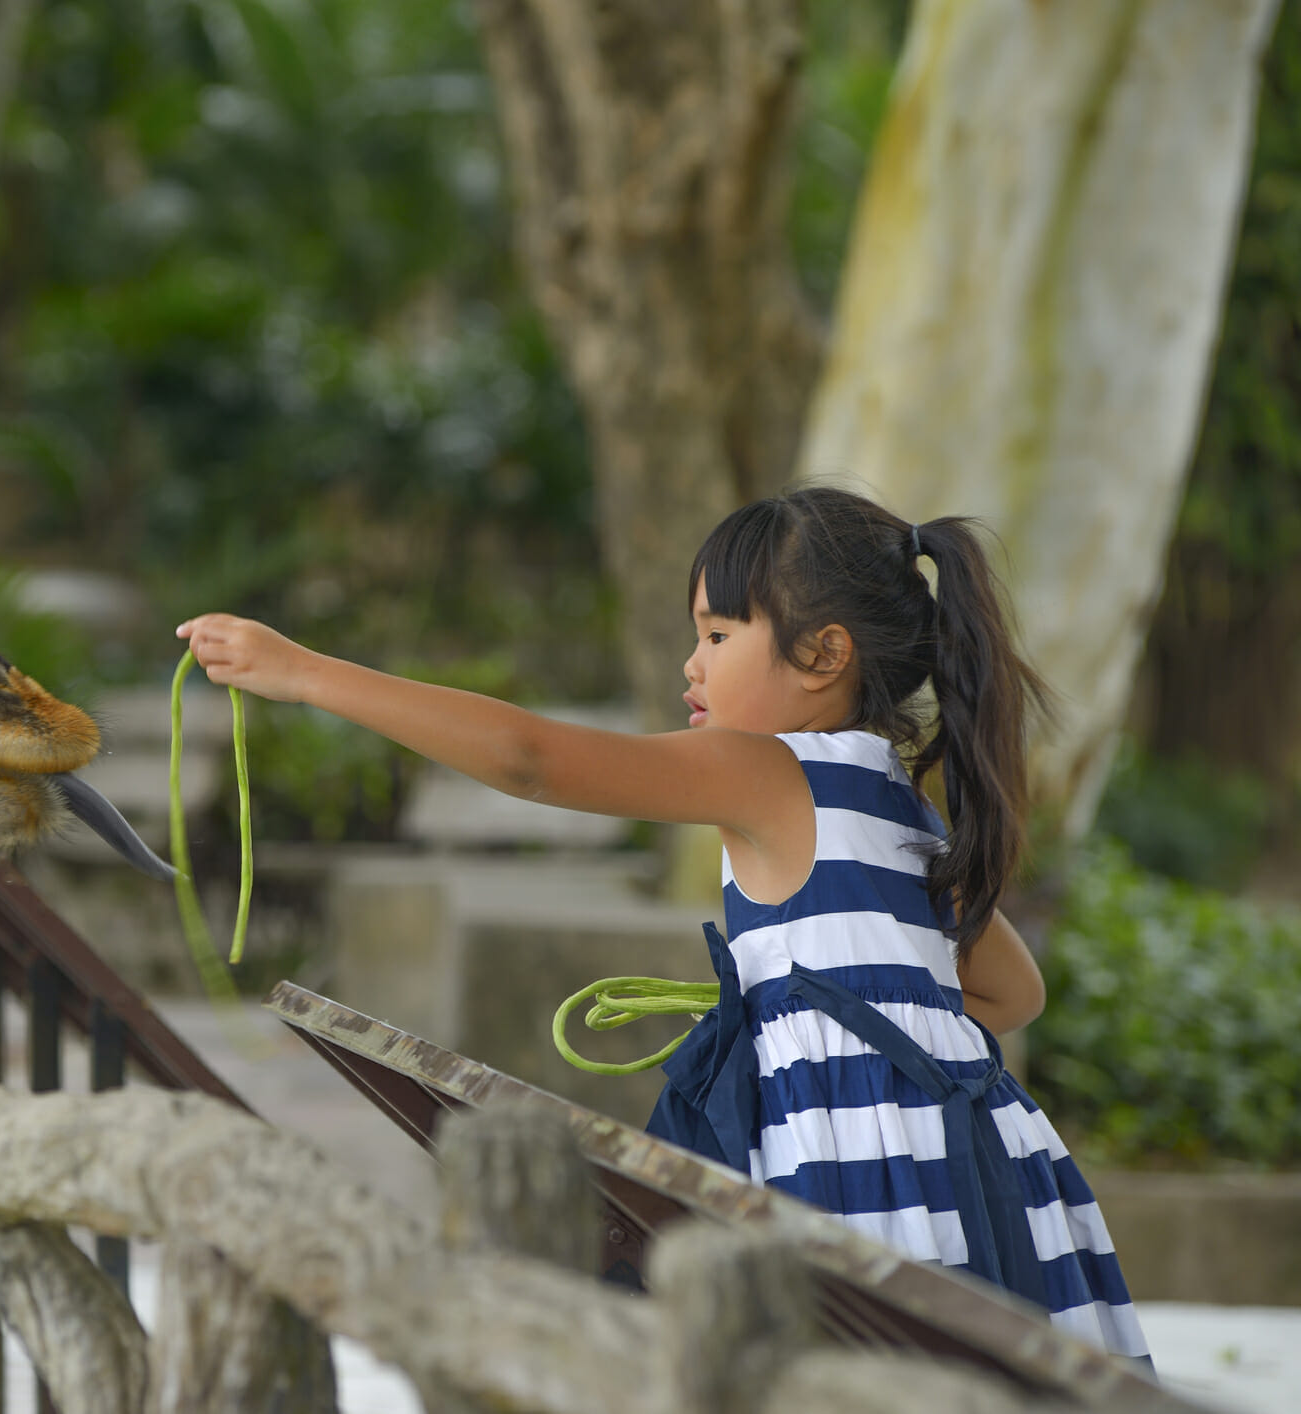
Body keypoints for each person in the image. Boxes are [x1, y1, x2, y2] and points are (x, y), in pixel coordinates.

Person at [177, 484, 1148, 1361]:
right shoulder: (900, 808)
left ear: (822, 655)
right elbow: (1012, 992)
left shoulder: (764, 768)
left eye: (717, 635)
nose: (691, 663)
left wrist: (304, 673)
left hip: (853, 1169)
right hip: (968, 1167)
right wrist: (830, 988)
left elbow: (530, 759)